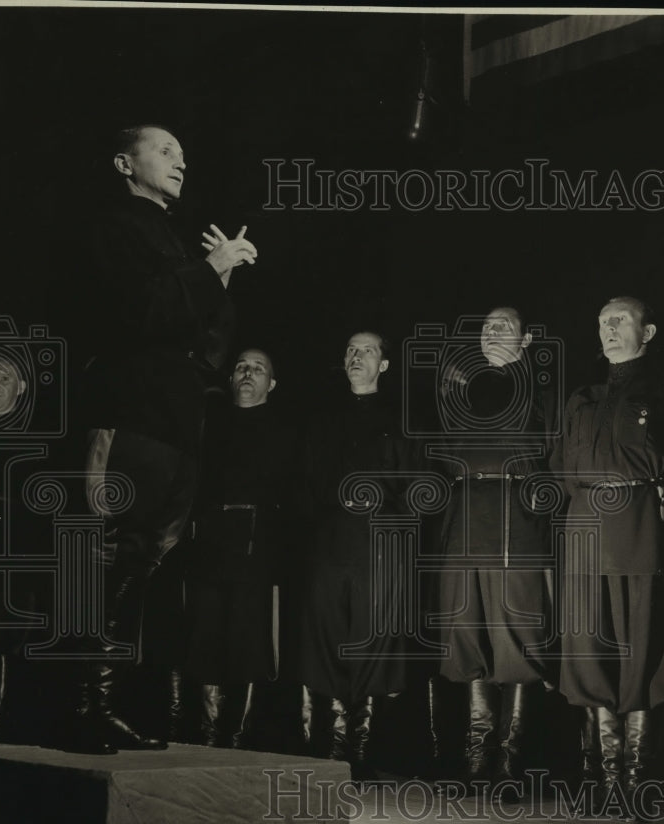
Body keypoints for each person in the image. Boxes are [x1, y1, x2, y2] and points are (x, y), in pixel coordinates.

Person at [68, 124, 258, 754]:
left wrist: (215, 280)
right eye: (166, 150)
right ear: (125, 161)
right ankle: (77, 705)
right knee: (105, 556)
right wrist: (209, 268)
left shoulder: (169, 237)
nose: (182, 159)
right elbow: (139, 313)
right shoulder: (112, 227)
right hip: (130, 420)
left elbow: (199, 344)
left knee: (139, 564)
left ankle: (100, 704)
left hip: (175, 427)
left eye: (184, 152)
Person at [558, 296, 664, 816]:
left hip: (638, 526)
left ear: (648, 331)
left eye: (621, 320)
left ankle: (634, 783)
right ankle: (604, 781)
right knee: (588, 649)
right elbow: (562, 465)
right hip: (585, 530)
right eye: (602, 322)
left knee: (638, 650)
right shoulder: (582, 397)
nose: (609, 329)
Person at [435, 307, 559, 796]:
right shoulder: (458, 394)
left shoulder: (542, 395)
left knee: (519, 641)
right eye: (486, 325)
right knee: (467, 641)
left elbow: (556, 461)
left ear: (526, 339)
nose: (492, 331)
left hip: (516, 527)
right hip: (465, 526)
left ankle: (510, 762)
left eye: (504, 325)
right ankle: (475, 757)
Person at [299, 332, 413, 780]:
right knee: (323, 639)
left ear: (384, 365)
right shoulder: (321, 421)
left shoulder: (400, 421)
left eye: (366, 350)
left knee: (373, 641)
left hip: (379, 545)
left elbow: (414, 488)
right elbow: (306, 483)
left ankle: (360, 752)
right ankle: (322, 748)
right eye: (349, 349)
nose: (355, 356)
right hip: (329, 543)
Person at [186, 347, 298, 748]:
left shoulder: (286, 431)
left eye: (258, 368)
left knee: (248, 641)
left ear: (272, 383)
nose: (248, 373)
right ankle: (206, 734)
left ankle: (235, 739)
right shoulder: (207, 424)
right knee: (205, 635)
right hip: (209, 543)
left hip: (258, 547)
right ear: (230, 378)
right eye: (241, 367)